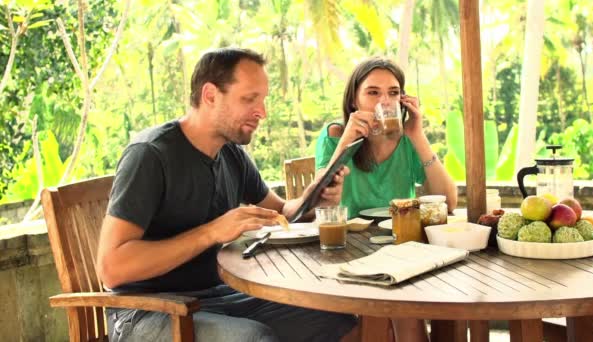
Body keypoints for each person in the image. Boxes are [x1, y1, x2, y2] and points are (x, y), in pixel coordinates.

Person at [97, 47, 357, 342]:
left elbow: (281, 213)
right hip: (145, 311)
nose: (262, 112)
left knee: (337, 320)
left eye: (262, 100)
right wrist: (212, 232)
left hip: (216, 297)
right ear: (210, 95)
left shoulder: (231, 153)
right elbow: (112, 268)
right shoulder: (150, 155)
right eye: (249, 99)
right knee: (252, 339)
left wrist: (313, 198)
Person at [315, 57, 457, 218]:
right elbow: (320, 199)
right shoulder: (334, 135)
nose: (385, 101)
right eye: (373, 92)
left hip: (401, 234)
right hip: (349, 236)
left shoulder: (409, 139)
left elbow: (449, 203)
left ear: (402, 100)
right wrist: (346, 142)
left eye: (393, 93)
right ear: (354, 99)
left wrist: (418, 135)